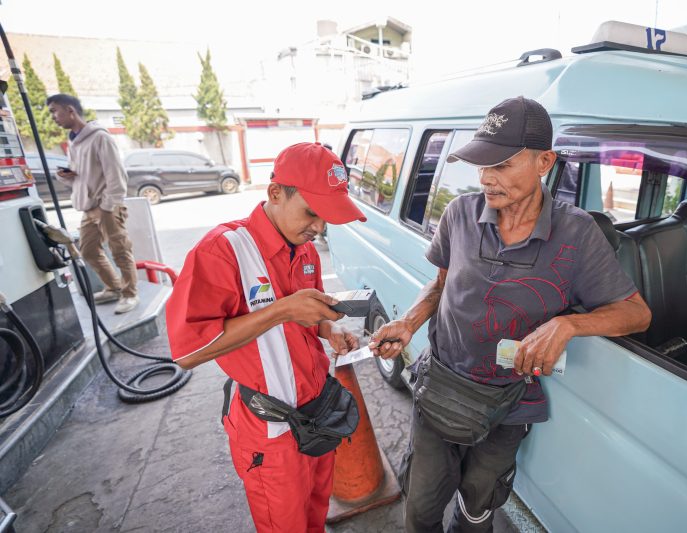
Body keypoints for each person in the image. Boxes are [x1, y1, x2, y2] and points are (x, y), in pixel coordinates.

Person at [370, 97, 652, 532]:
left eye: (501, 165)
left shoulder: (576, 234)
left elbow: (635, 314)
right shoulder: (460, 213)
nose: (486, 178)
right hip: (441, 386)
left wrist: (569, 323)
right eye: (482, 165)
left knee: (479, 501)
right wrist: (408, 322)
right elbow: (442, 284)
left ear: (544, 162)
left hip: (509, 405)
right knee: (422, 508)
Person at [165, 142, 366, 533]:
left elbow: (308, 316)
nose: (319, 228)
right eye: (312, 213)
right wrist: (283, 309)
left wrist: (329, 328)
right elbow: (187, 352)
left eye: (327, 218)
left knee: (315, 514)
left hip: (318, 415)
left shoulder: (305, 250)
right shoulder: (222, 251)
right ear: (275, 193)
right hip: (270, 432)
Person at [47, 93, 139, 314]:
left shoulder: (100, 137)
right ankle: (114, 287)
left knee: (120, 250)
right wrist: (66, 176)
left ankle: (130, 294)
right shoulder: (75, 142)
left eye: (54, 111)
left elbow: (116, 176)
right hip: (88, 207)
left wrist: (108, 206)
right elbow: (82, 175)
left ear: (70, 110)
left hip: (106, 205)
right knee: (88, 250)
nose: (53, 117)